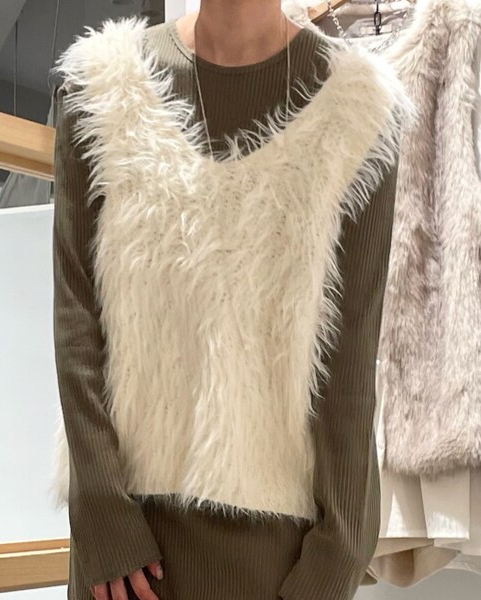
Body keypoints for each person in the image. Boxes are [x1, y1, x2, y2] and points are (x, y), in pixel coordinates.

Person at [51, 2, 405, 599]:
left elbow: (349, 365)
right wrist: (102, 513)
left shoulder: (360, 109)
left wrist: (338, 556)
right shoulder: (100, 86)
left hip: (276, 559)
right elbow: (75, 320)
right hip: (123, 557)